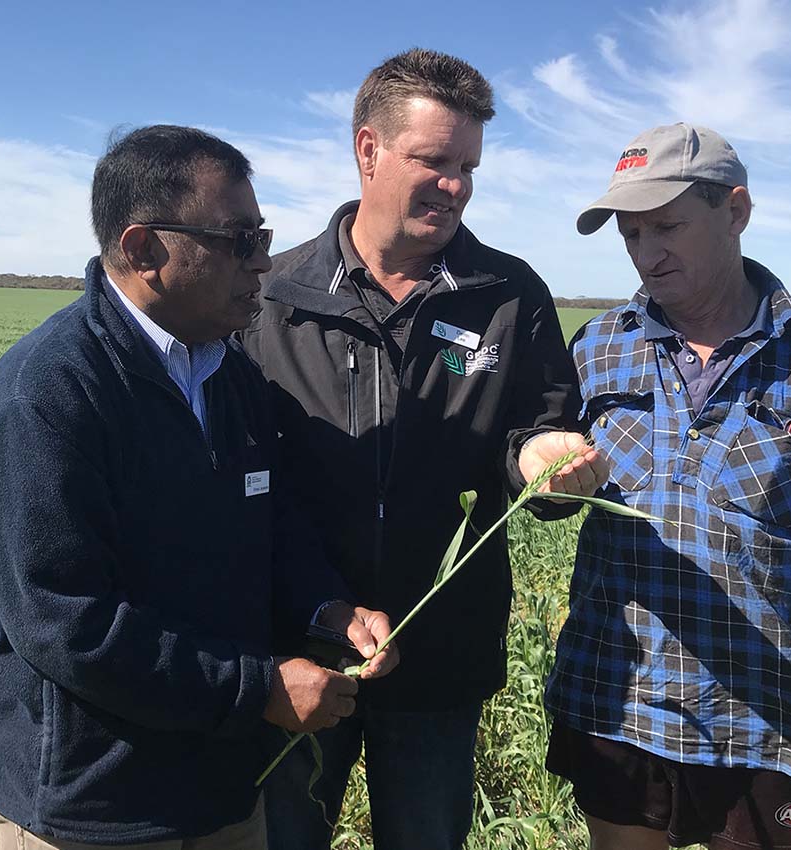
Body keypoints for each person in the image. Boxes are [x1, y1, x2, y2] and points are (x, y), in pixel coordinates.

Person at [0, 124, 399, 850]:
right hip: (96, 801)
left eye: (261, 235)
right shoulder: (46, 398)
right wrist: (255, 690)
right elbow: (66, 622)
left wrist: (329, 607)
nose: (261, 263)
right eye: (236, 239)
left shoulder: (230, 375)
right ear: (144, 250)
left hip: (222, 782)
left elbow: (272, 518)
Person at [238, 48, 607, 850]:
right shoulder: (275, 297)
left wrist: (547, 465)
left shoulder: (508, 296)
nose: (456, 186)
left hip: (442, 647)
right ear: (368, 151)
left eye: (468, 167)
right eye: (434, 161)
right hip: (299, 652)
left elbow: (536, 432)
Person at [545, 122, 791, 850]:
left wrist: (775, 584)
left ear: (736, 212)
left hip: (764, 710)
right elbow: (550, 489)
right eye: (630, 234)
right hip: (617, 698)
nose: (647, 254)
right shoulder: (597, 346)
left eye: (668, 227)